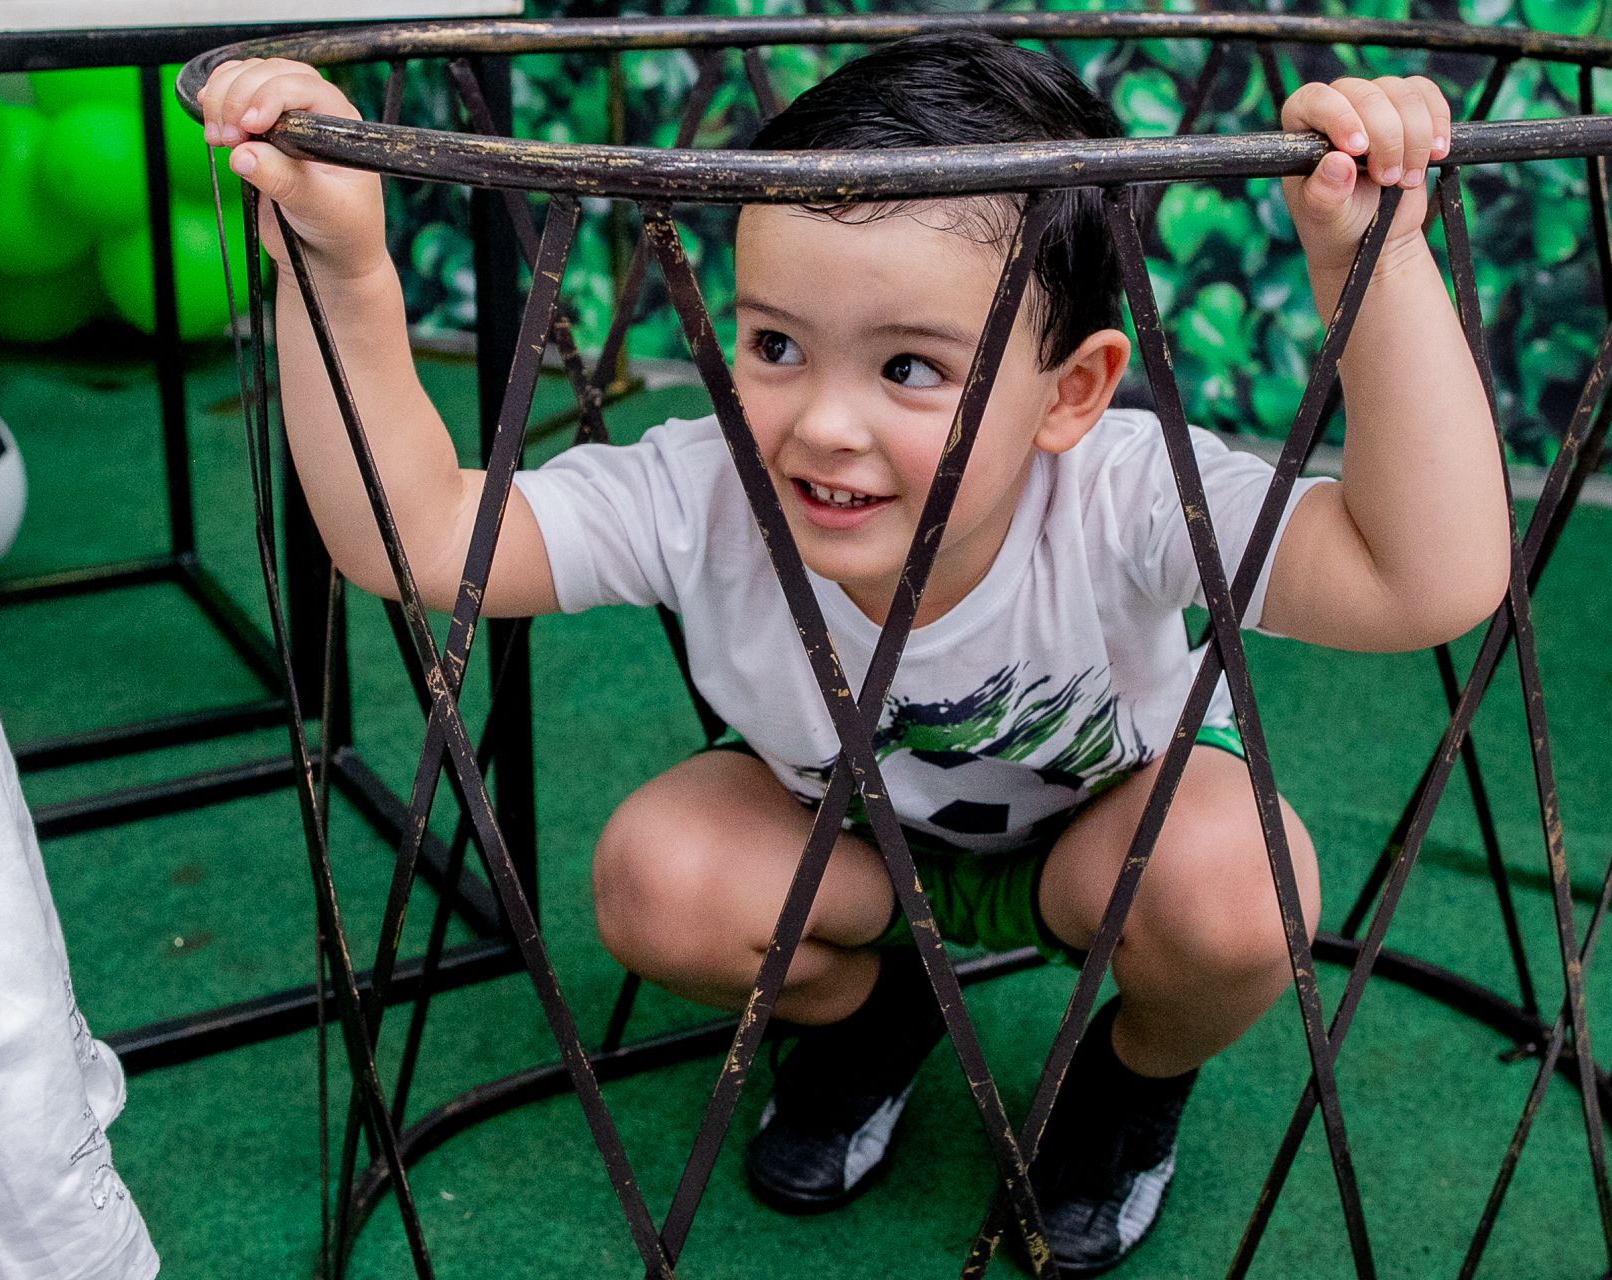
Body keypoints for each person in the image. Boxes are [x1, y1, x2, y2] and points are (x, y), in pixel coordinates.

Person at [199, 31, 1504, 1276]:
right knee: (662, 878)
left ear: (1073, 393)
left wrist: (1374, 265)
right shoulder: (708, 487)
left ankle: (1131, 1077)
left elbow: (1421, 578)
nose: (824, 423)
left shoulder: (1117, 492)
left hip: (1110, 833)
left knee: (1242, 885)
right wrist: (343, 274)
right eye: (775, 345)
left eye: (911, 368)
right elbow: (420, 541)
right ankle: (869, 1015)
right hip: (847, 844)